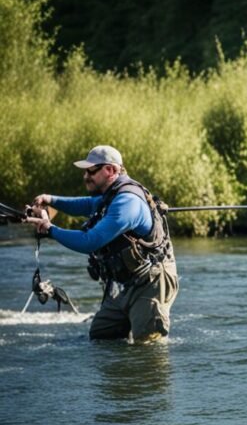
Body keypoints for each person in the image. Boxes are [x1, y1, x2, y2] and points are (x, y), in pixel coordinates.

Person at [25, 145, 178, 342]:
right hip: (128, 281)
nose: (86, 176)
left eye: (92, 170)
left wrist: (50, 229)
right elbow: (87, 205)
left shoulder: (127, 203)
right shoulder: (111, 194)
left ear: (111, 170)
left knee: (146, 347)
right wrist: (51, 199)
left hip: (151, 281)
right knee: (101, 337)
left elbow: (90, 241)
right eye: (85, 171)